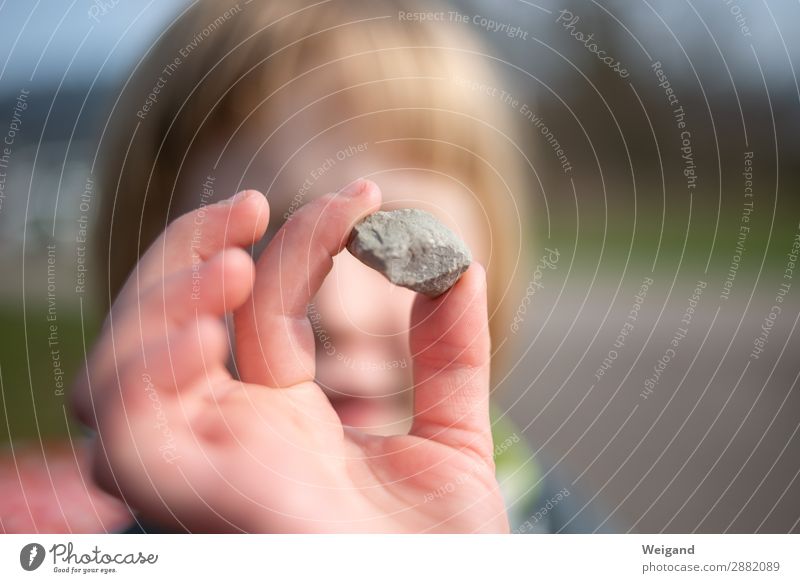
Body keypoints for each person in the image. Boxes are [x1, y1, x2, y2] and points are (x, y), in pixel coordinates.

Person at [72, 0, 599, 533]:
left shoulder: (564, 533)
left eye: (404, 239)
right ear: (146, 274)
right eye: (267, 240)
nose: (339, 313)